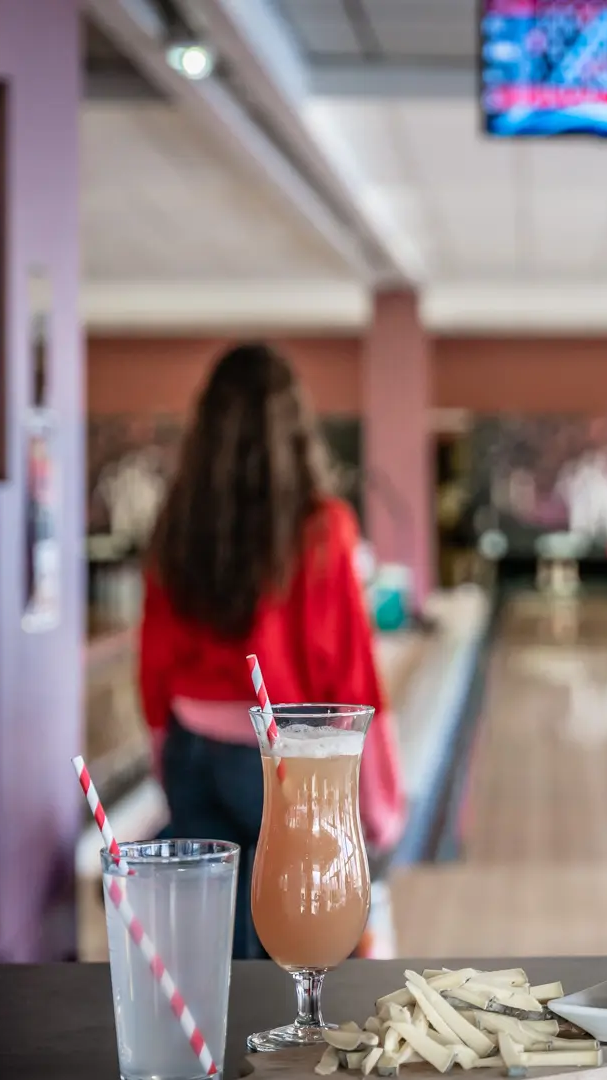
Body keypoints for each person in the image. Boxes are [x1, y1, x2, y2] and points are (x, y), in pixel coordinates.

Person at [140, 342, 399, 959]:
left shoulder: (179, 521)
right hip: (281, 763)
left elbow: (153, 659)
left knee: (209, 949)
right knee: (288, 944)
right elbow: (347, 665)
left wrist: (162, 752)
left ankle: (218, 1054)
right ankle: (268, 1055)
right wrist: (377, 791)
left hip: (192, 753)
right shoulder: (321, 527)